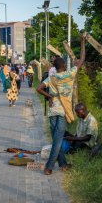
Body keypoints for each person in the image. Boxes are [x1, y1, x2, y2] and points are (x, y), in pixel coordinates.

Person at [36, 33, 86, 175]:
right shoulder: (70, 75)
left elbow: (38, 88)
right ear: (64, 65)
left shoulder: (51, 78)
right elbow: (82, 59)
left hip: (52, 111)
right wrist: (82, 42)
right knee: (57, 141)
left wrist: (49, 95)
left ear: (55, 67)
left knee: (57, 139)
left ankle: (63, 164)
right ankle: (49, 167)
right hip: (63, 112)